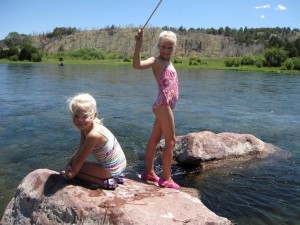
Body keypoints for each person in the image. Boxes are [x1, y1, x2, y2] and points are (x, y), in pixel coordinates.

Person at [133, 29, 180, 189]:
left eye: (170, 48)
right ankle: (166, 178)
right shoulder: (156, 61)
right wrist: (138, 45)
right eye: (164, 47)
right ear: (158, 46)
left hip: (166, 106)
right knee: (171, 140)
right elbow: (137, 65)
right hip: (163, 105)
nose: (166, 50)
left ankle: (149, 172)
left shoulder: (169, 62)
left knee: (154, 139)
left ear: (174, 49)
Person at [60, 93, 127, 190]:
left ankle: (104, 182)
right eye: (76, 116)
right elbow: (81, 149)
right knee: (75, 166)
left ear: (94, 115)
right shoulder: (86, 127)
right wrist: (68, 164)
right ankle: (117, 176)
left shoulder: (93, 135)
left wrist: (69, 174)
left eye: (85, 116)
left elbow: (80, 160)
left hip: (111, 169)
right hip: (119, 164)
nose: (80, 120)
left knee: (76, 173)